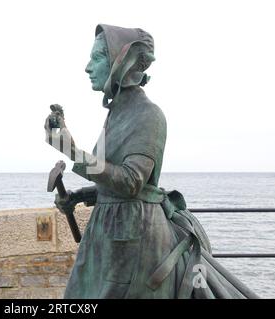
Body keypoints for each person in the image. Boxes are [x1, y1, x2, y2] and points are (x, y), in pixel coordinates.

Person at [44, 24, 258, 299]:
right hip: (109, 232)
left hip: (135, 238)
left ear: (122, 62)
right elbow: (112, 183)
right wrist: (79, 195)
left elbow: (132, 182)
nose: (88, 67)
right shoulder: (116, 114)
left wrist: (72, 151)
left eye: (97, 58)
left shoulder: (148, 115)